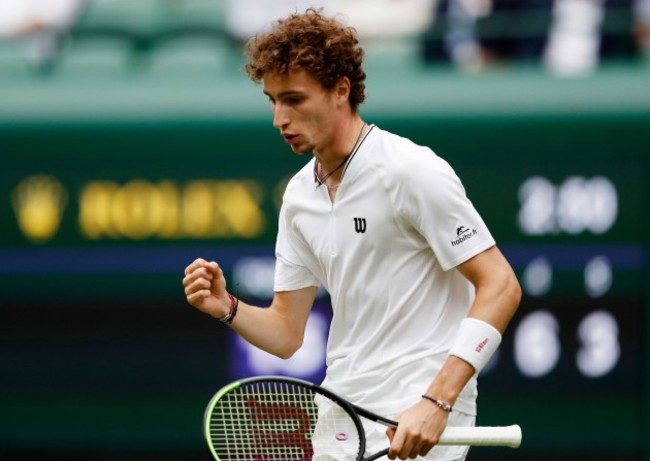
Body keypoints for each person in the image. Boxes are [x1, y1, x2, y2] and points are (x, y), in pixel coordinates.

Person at [183, 8, 521, 461]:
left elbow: (500, 285)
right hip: (341, 415)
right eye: (273, 101)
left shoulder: (410, 170)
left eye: (295, 100)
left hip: (418, 413)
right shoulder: (300, 197)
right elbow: (286, 333)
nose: (279, 119)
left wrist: (437, 401)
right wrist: (227, 308)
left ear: (341, 89)